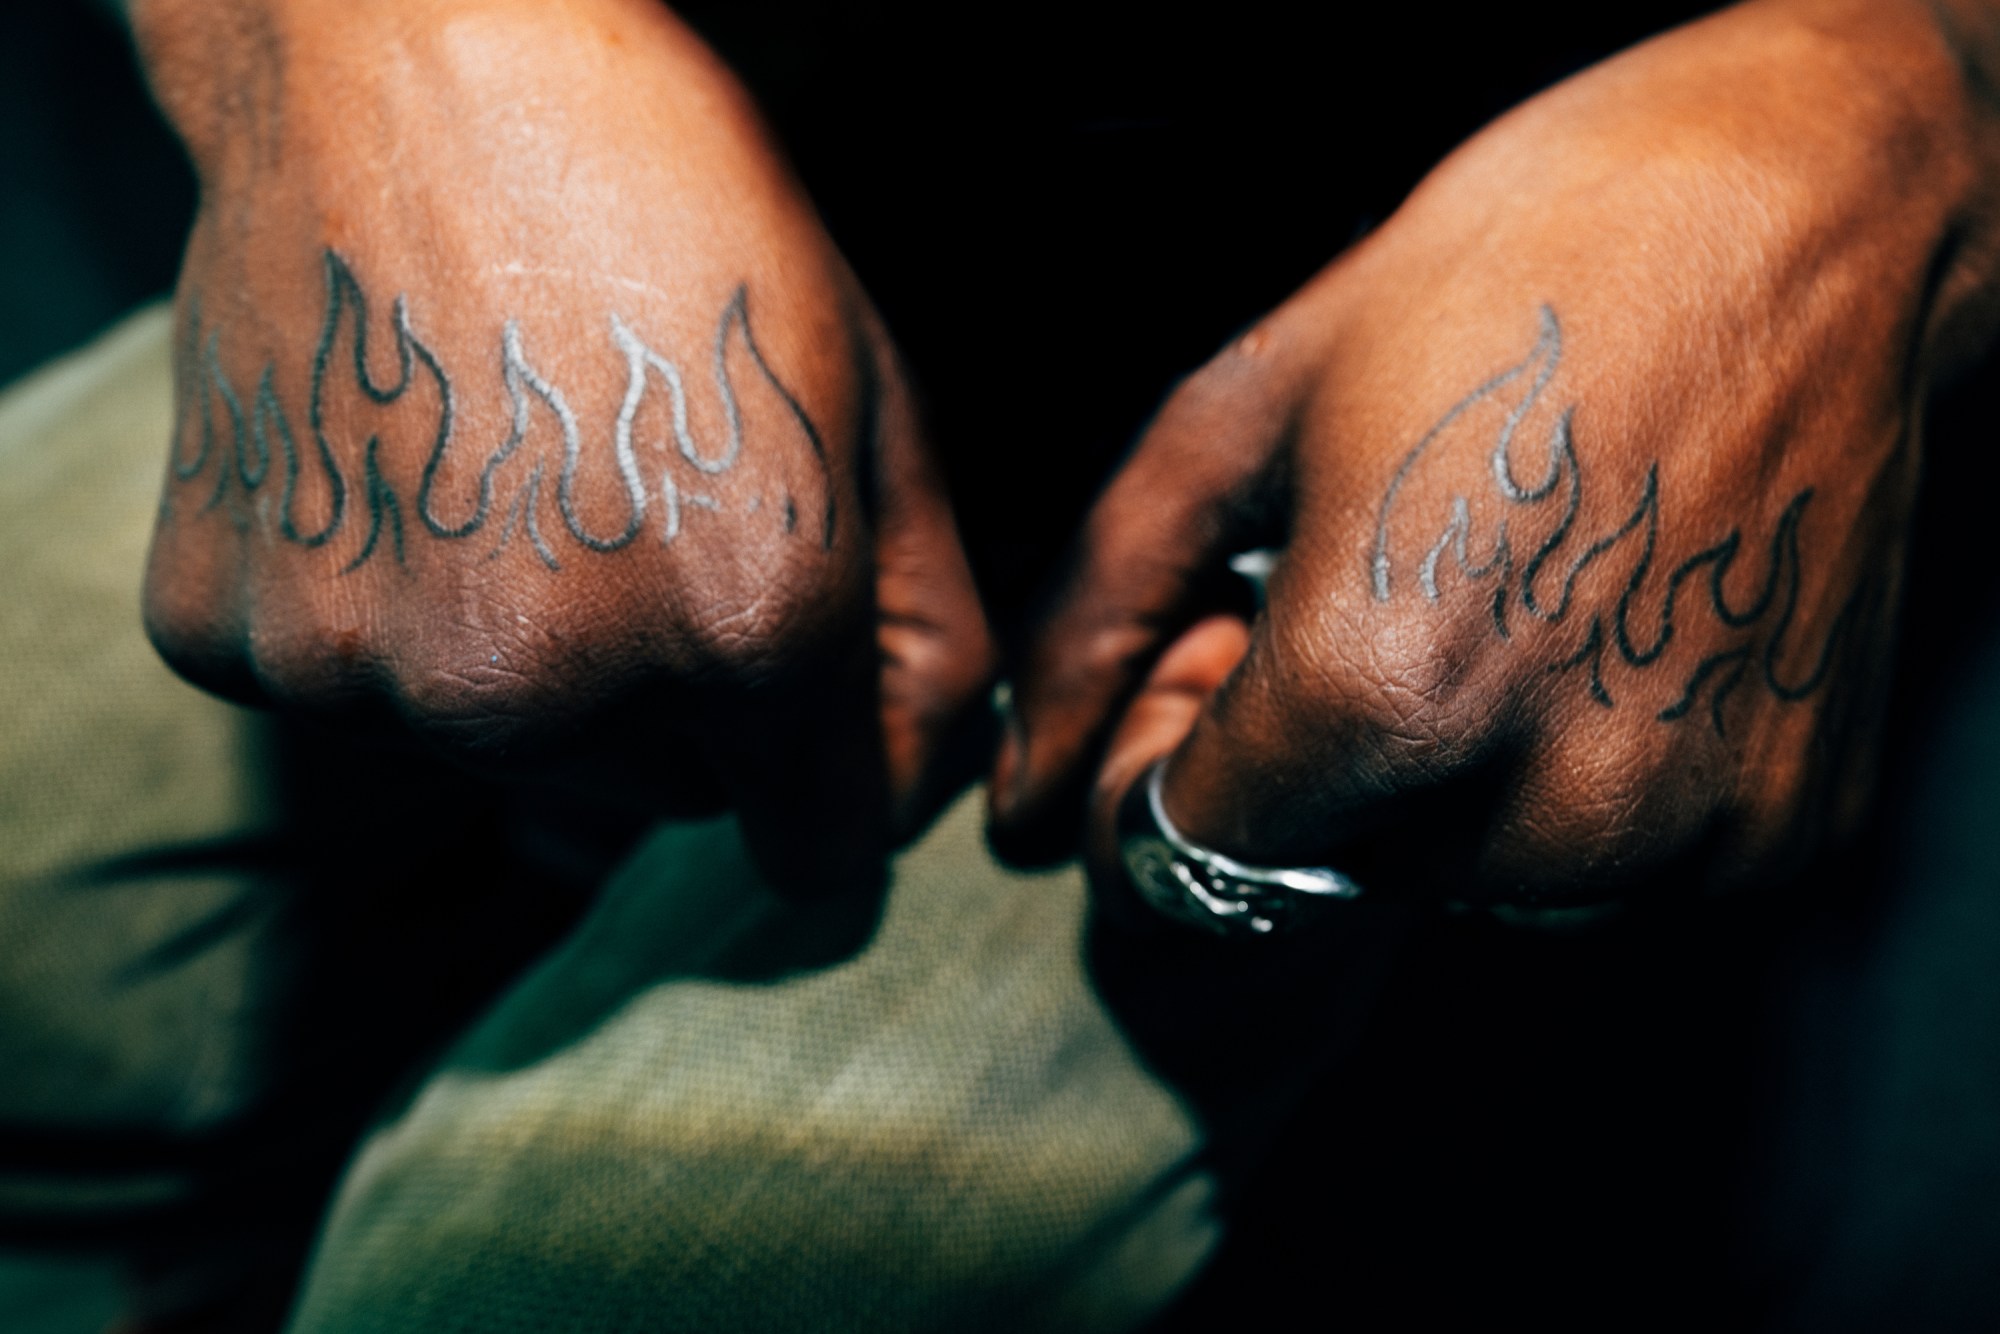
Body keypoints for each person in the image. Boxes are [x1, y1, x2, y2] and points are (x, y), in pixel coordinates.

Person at [9, 0, 2000, 1325]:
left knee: (602, 1269)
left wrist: (1904, 108)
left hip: (1509, 270)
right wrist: (336, 46)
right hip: (623, 120)